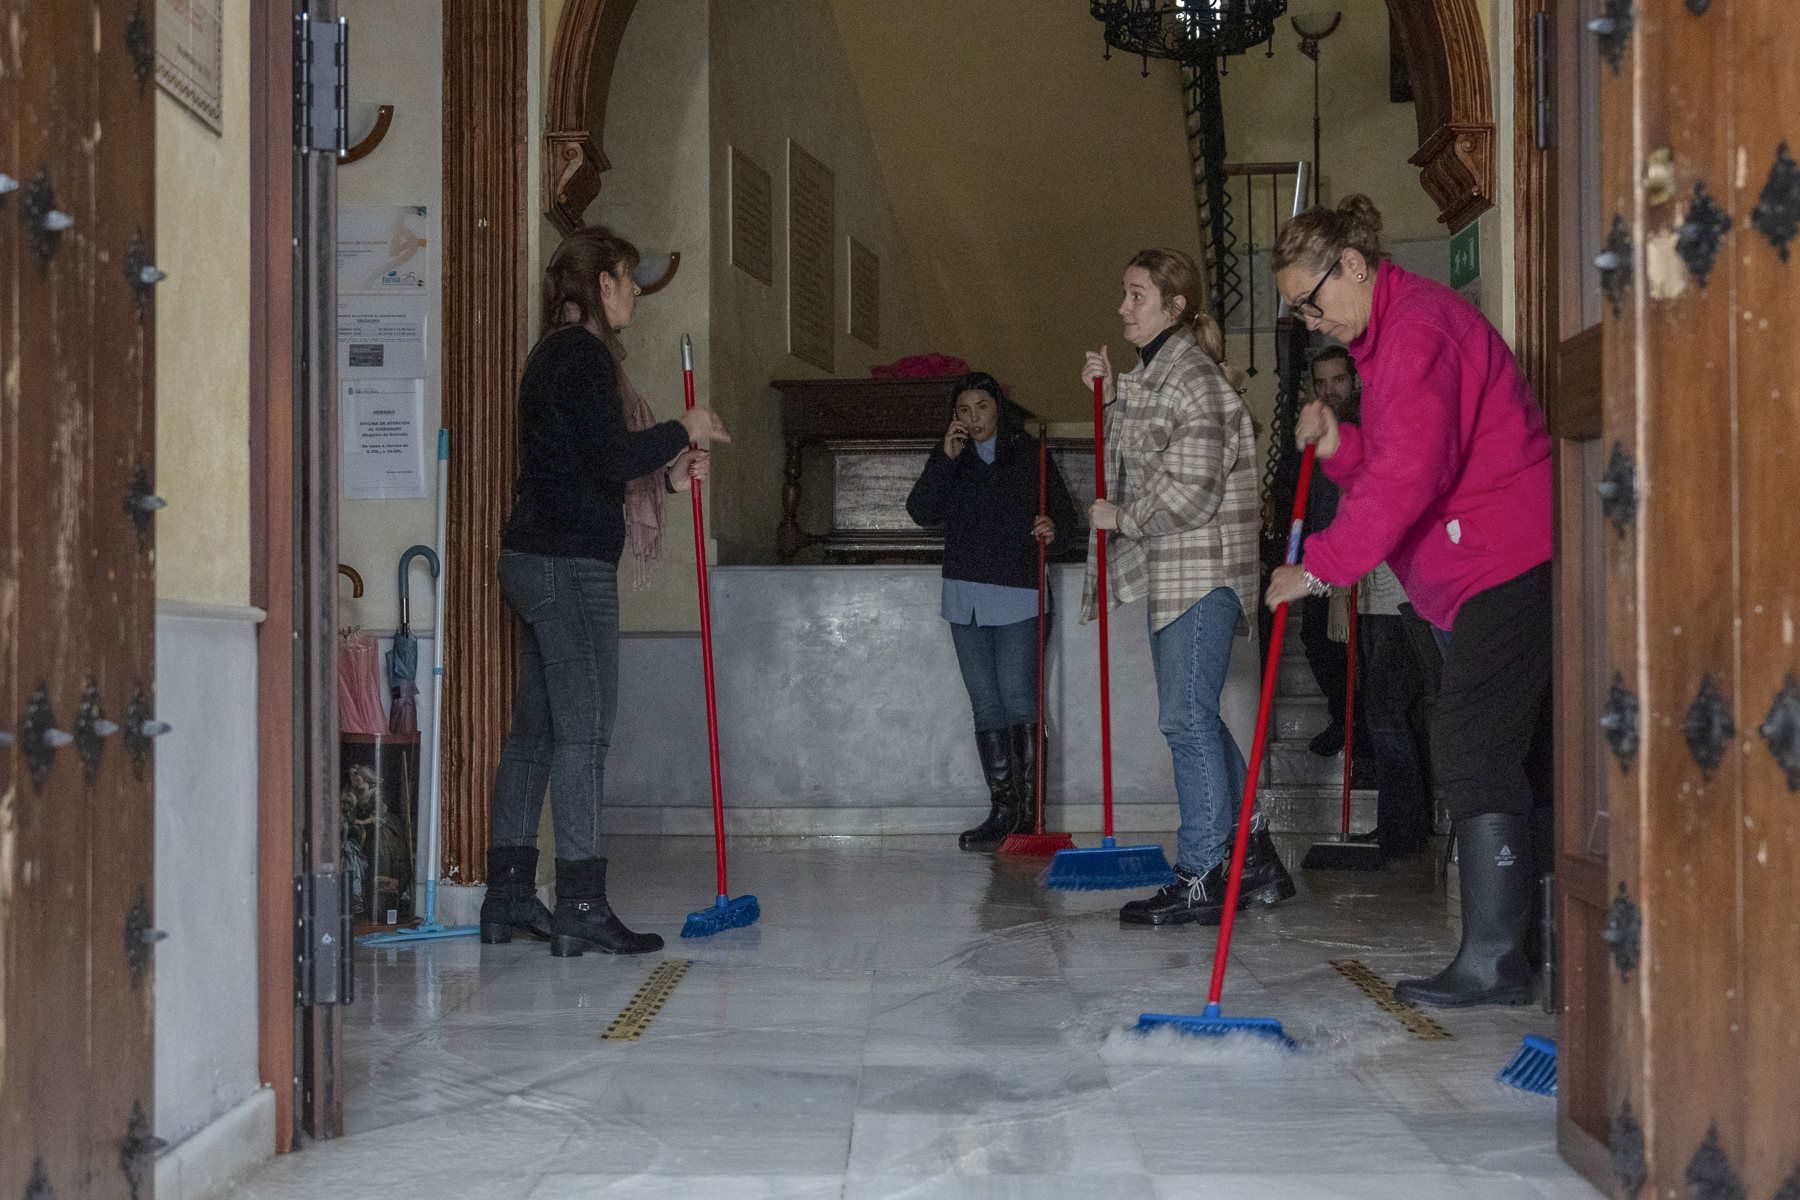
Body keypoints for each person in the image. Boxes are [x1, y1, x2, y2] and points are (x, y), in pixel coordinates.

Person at [1269, 196, 1553, 1006]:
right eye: (1299, 312)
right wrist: (1340, 446)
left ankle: (1497, 960)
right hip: (1474, 574)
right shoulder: (1392, 335)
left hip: (1505, 561)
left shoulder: (1417, 331)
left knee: (1470, 742)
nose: (1312, 322)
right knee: (1512, 750)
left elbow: (1410, 478)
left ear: (1354, 266)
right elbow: (1401, 458)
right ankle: (1529, 948)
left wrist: (1319, 567)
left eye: (1311, 301)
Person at [479, 226, 731, 957]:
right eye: (628, 278)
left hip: (534, 557)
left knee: (536, 732)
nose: (637, 293)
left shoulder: (552, 354)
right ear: (601, 284)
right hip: (568, 566)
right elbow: (612, 455)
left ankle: (509, 896)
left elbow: (587, 463)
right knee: (584, 732)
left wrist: (670, 479)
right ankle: (581, 903)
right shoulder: (583, 356)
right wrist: (683, 427)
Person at [1082, 247, 1296, 927]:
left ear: (1174, 306)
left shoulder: (1193, 376)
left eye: (1136, 295)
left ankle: (1203, 871)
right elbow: (1143, 450)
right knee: (1193, 716)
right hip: (1181, 571)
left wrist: (1123, 517)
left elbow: (1190, 491)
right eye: (1124, 293)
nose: (1123, 307)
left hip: (1202, 572)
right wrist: (1111, 397)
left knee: (1186, 719)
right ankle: (1251, 854)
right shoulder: (1162, 372)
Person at [906, 373, 1080, 851]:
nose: (973, 417)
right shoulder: (952, 458)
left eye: (981, 406)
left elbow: (1065, 522)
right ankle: (1002, 812)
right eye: (963, 410)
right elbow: (920, 511)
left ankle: (1030, 817)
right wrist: (944, 458)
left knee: (1020, 699)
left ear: (998, 407)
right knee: (985, 703)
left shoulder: (1030, 455)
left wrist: (1052, 528)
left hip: (1018, 591)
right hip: (964, 595)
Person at [1299, 347, 1361, 758]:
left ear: (1353, 380)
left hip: (1359, 563)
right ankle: (1343, 720)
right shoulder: (1314, 427)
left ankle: (1359, 736)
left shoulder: (1363, 421)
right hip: (1321, 556)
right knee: (1316, 639)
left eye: (1337, 379)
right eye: (1321, 382)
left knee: (1358, 655)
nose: (1329, 390)